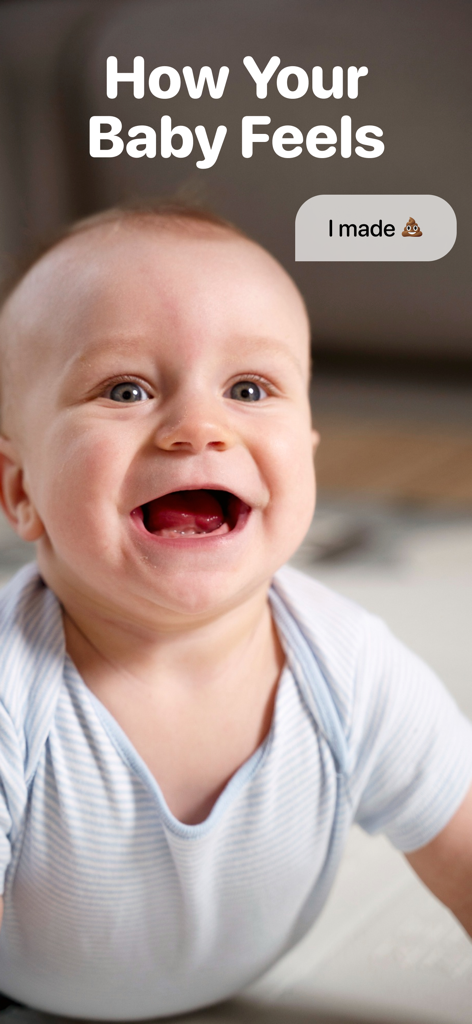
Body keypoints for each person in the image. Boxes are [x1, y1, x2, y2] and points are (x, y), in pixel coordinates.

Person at [0, 203, 470, 1021]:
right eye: (126, 388)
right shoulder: (12, 691)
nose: (198, 428)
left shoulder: (351, 669)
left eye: (249, 388)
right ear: (19, 490)